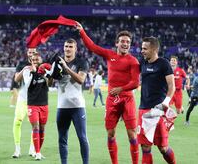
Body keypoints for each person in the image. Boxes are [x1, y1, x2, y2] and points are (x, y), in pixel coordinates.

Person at [76, 23, 140, 164]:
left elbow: (136, 83)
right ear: (117, 43)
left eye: (128, 42)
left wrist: (121, 89)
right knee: (110, 134)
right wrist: (82, 31)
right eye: (122, 41)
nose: (125, 44)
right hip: (112, 100)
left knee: (132, 135)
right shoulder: (109, 54)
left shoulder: (133, 61)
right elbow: (92, 47)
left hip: (127, 99)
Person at [139, 36, 176, 164]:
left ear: (154, 49)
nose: (142, 51)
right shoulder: (142, 62)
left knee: (163, 148)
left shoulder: (164, 64)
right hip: (143, 109)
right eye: (142, 48)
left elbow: (172, 86)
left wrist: (166, 102)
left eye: (145, 48)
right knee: (145, 147)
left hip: (158, 110)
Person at [54, 38, 89, 164]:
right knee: (62, 139)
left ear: (75, 49)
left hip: (77, 107)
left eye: (70, 46)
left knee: (82, 138)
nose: (68, 49)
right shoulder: (57, 63)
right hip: (62, 107)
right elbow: (50, 83)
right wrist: (50, 74)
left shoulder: (82, 62)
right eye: (66, 46)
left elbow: (80, 80)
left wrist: (66, 68)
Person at [17, 53, 50, 160]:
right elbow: (28, 85)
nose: (35, 61)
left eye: (37, 59)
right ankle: (38, 152)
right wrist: (35, 72)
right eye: (33, 59)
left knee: (42, 128)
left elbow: (50, 84)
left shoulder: (44, 70)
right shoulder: (27, 71)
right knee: (35, 127)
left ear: (41, 60)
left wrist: (48, 74)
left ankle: (38, 151)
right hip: (32, 104)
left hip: (44, 103)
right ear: (30, 60)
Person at [12, 47, 37, 158]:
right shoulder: (22, 64)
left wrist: (35, 69)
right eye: (29, 52)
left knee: (34, 125)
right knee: (17, 122)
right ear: (27, 53)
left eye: (33, 52)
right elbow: (16, 79)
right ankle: (17, 149)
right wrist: (25, 69)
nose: (31, 54)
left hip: (34, 100)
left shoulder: (40, 64)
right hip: (22, 99)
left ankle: (32, 149)